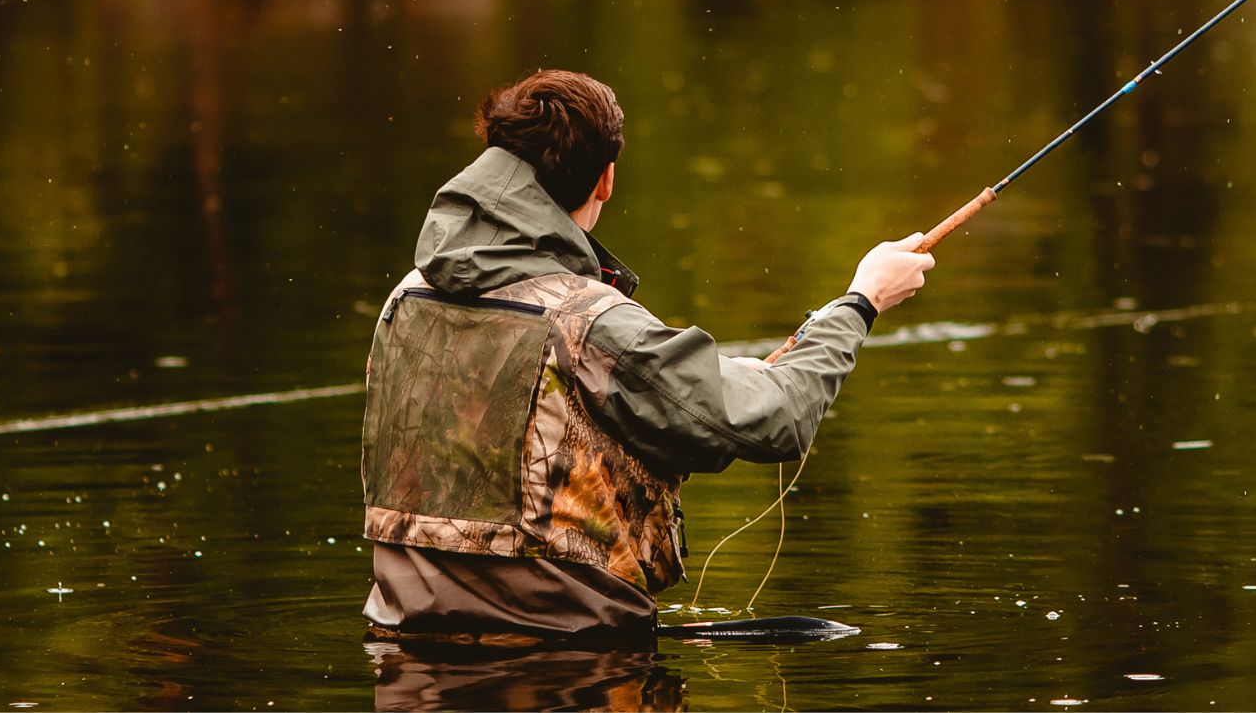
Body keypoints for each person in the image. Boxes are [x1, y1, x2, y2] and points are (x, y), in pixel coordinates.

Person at [360, 69, 935, 649]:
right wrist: (862, 301)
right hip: (572, 659)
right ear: (605, 179)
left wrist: (729, 377)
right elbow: (778, 418)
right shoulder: (589, 319)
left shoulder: (404, 298)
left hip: (404, 646)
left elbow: (533, 388)